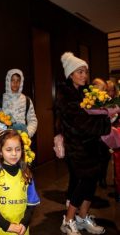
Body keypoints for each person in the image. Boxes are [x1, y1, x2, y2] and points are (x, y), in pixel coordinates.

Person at [56, 52, 113, 235]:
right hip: (77, 147)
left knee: (92, 182)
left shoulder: (87, 91)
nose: (83, 76)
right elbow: (81, 123)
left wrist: (107, 113)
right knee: (84, 182)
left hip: (93, 146)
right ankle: (68, 220)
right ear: (70, 74)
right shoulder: (65, 94)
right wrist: (106, 123)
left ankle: (82, 217)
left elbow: (94, 116)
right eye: (79, 72)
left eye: (85, 72)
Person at [0, 129, 40, 235]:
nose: (14, 154)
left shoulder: (27, 174)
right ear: (0, 151)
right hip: (0, 230)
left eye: (17, 149)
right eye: (8, 150)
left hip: (21, 229)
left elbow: (31, 204)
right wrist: (7, 226)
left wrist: (24, 223)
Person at [0, 69, 37, 138]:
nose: (15, 83)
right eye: (12, 80)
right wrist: (1, 131)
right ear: (8, 81)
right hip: (4, 139)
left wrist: (26, 134)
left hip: (21, 139)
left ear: (21, 82)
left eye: (18, 80)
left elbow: (33, 120)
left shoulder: (27, 100)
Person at [92, 78, 111, 189]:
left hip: (105, 133)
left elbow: (112, 114)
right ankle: (95, 178)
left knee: (105, 157)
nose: (101, 90)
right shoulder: (89, 100)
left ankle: (102, 178)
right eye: (98, 88)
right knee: (95, 159)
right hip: (93, 134)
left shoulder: (107, 99)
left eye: (103, 88)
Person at [106, 80, 120, 202]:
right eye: (107, 90)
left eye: (111, 90)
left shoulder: (117, 101)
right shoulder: (103, 100)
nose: (109, 92)